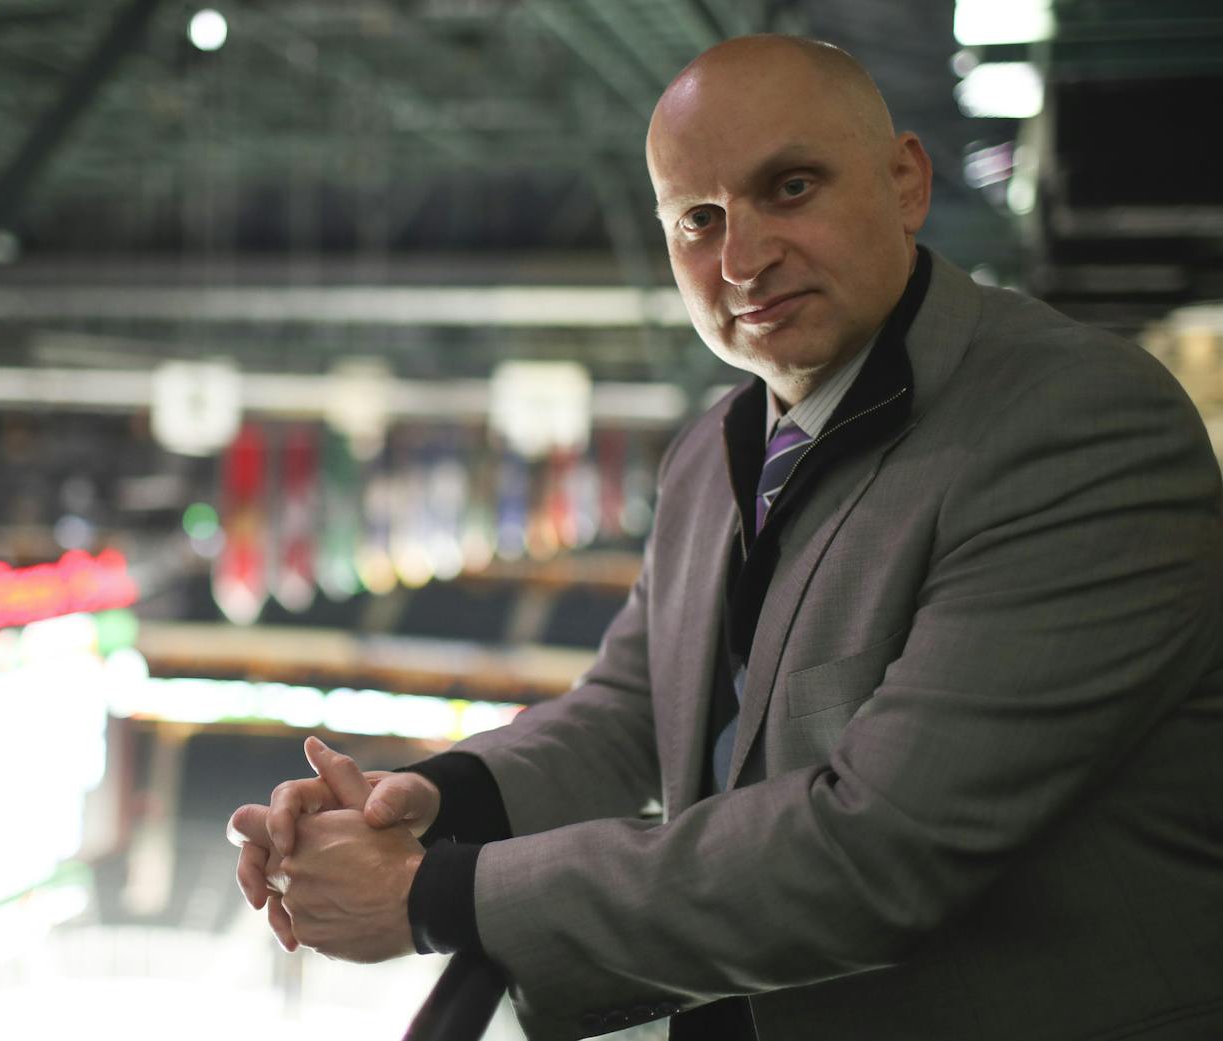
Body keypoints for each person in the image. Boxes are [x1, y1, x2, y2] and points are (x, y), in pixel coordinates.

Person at [227, 34, 1223, 1041]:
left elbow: (880, 852)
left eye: (789, 188)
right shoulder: (714, 449)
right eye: (696, 220)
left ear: (905, 183)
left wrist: (437, 898)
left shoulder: (1071, 425)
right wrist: (431, 803)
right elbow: (631, 710)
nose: (739, 261)